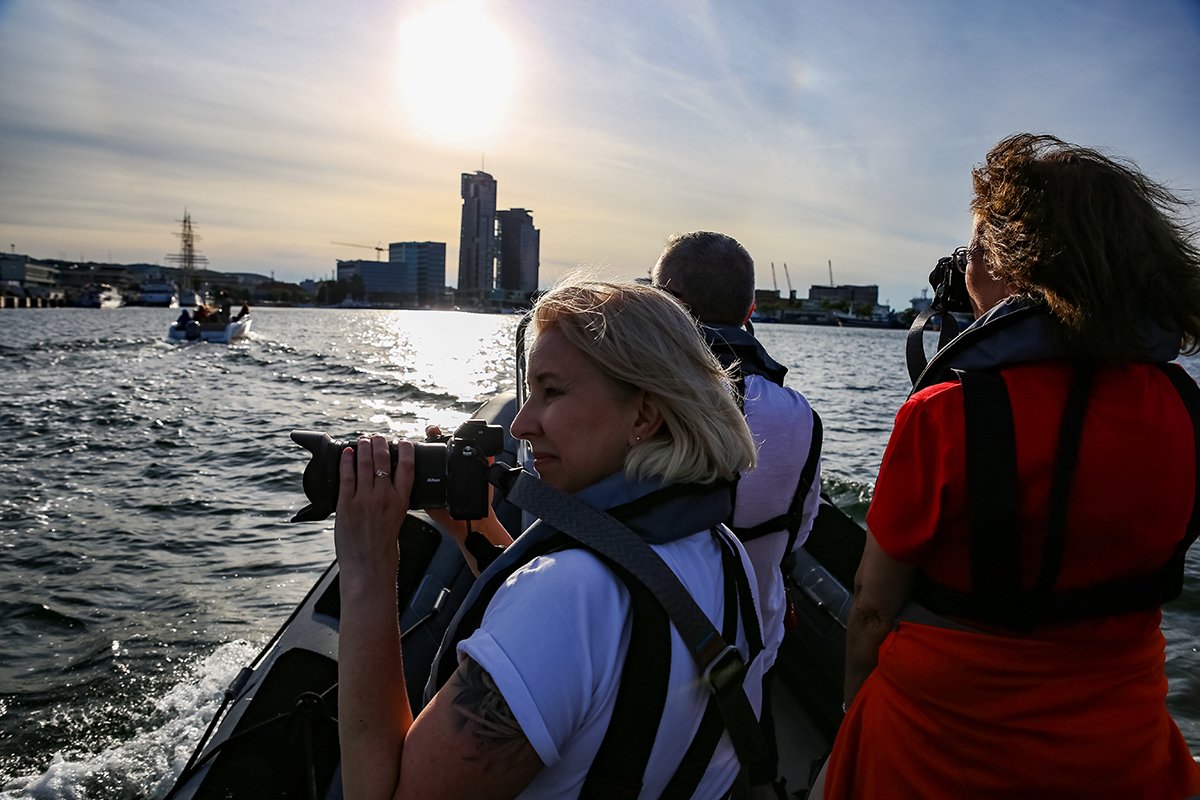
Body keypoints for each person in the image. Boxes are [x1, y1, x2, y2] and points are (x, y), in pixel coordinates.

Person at [821, 133, 1200, 798]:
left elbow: (872, 610)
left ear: (1009, 265)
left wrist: (855, 705)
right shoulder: (1187, 410)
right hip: (1123, 749)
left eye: (971, 250)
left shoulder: (945, 413)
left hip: (937, 744)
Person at [333, 278, 767, 799]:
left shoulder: (563, 598)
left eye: (552, 391)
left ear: (645, 415)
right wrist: (467, 529)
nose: (519, 424)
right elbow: (597, 651)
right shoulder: (725, 552)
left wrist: (367, 566)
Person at [652, 231, 822, 794]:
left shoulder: (635, 399)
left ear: (666, 302)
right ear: (750, 309)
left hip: (646, 645)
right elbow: (799, 535)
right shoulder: (801, 416)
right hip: (754, 645)